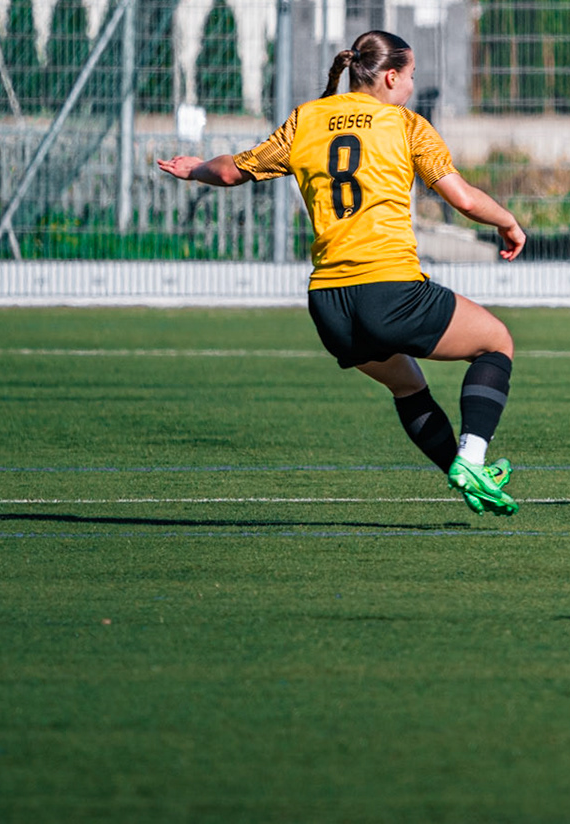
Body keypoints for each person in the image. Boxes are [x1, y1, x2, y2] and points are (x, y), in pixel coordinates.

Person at [158, 30, 528, 517]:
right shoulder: (406, 125)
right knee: (496, 342)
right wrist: (508, 221)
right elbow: (460, 198)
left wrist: (195, 168)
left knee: (407, 386)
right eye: (412, 76)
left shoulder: (306, 119)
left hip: (330, 305)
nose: (412, 86)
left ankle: (466, 476)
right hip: (389, 289)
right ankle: (474, 456)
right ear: (391, 76)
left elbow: (231, 172)